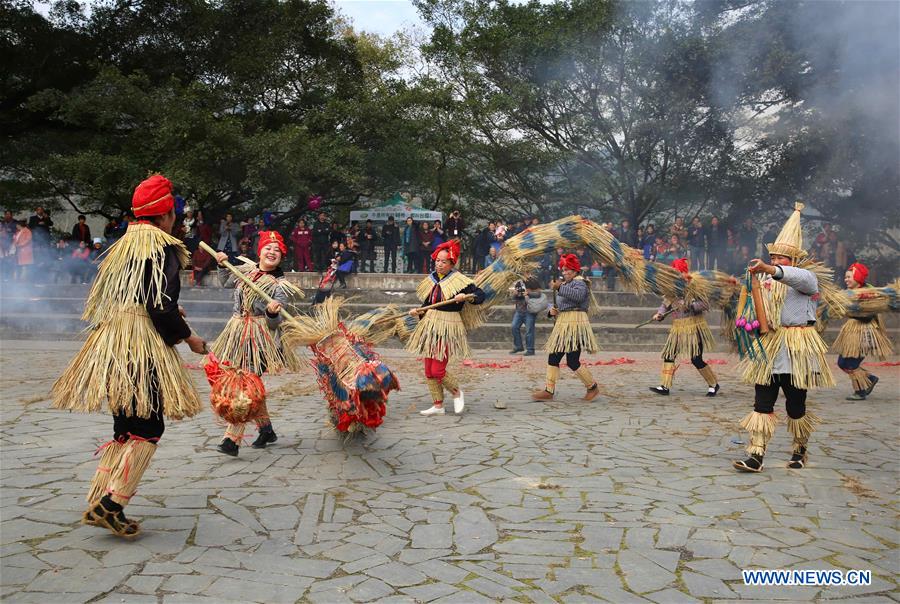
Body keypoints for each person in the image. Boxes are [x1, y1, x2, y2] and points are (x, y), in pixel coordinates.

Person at [52, 174, 207, 538]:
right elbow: (160, 307)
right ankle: (112, 504)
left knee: (124, 427)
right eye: (174, 214)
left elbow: (131, 296)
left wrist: (167, 310)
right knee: (148, 429)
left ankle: (98, 499)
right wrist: (189, 338)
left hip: (112, 345)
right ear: (165, 214)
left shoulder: (121, 246)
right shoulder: (164, 247)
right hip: (141, 349)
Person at [733, 203, 830, 473]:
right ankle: (756, 455)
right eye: (773, 256)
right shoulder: (764, 282)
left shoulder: (806, 278)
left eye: (781, 258)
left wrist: (770, 268)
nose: (776, 261)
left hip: (796, 348)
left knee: (795, 405)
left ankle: (799, 449)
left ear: (794, 262)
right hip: (769, 347)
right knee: (762, 403)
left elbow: (793, 278)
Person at [212, 231, 303, 456]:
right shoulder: (245, 271)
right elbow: (225, 282)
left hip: (261, 339)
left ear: (281, 257)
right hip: (236, 333)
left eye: (277, 251)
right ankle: (266, 430)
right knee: (245, 381)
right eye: (268, 248)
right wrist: (222, 264)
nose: (272, 253)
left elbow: (275, 324)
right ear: (259, 251)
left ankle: (232, 439)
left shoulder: (280, 286)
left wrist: (272, 313)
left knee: (246, 385)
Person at [408, 240, 486, 416]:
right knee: (428, 370)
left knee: (437, 369)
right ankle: (438, 406)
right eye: (437, 261)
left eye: (444, 262)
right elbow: (428, 303)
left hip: (448, 326)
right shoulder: (432, 279)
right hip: (430, 325)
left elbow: (480, 295)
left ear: (452, 263)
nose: (439, 264)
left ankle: (457, 393)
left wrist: (465, 296)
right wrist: (418, 310)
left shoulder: (460, 280)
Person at [532, 254, 601, 401]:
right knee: (555, 356)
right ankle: (549, 391)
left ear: (575, 270)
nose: (564, 273)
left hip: (575, 325)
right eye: (562, 270)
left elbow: (578, 297)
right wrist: (552, 312)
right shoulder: (566, 284)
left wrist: (560, 287)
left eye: (567, 270)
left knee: (572, 361)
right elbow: (559, 304)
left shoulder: (580, 282)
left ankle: (592, 387)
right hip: (563, 324)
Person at [648, 258, 720, 396]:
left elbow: (705, 305)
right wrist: (659, 314)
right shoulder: (671, 290)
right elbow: (665, 305)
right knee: (669, 355)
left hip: (693, 327)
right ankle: (665, 386)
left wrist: (690, 305)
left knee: (696, 359)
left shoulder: (695, 287)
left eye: (678, 273)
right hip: (677, 328)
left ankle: (713, 384)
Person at [833, 263, 891, 400]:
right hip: (852, 333)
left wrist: (852, 310)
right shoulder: (851, 293)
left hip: (864, 334)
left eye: (849, 277)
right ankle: (870, 379)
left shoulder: (868, 295)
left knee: (851, 364)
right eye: (845, 277)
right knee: (842, 363)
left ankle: (860, 391)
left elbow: (867, 316)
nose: (846, 280)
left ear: (858, 278)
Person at [510, 277, 548, 356]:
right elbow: (513, 298)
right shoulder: (517, 283)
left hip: (530, 310)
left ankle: (530, 349)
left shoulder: (533, 281)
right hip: (519, 310)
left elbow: (539, 293)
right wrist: (515, 294)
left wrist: (528, 293)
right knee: (514, 326)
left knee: (529, 330)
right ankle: (518, 346)